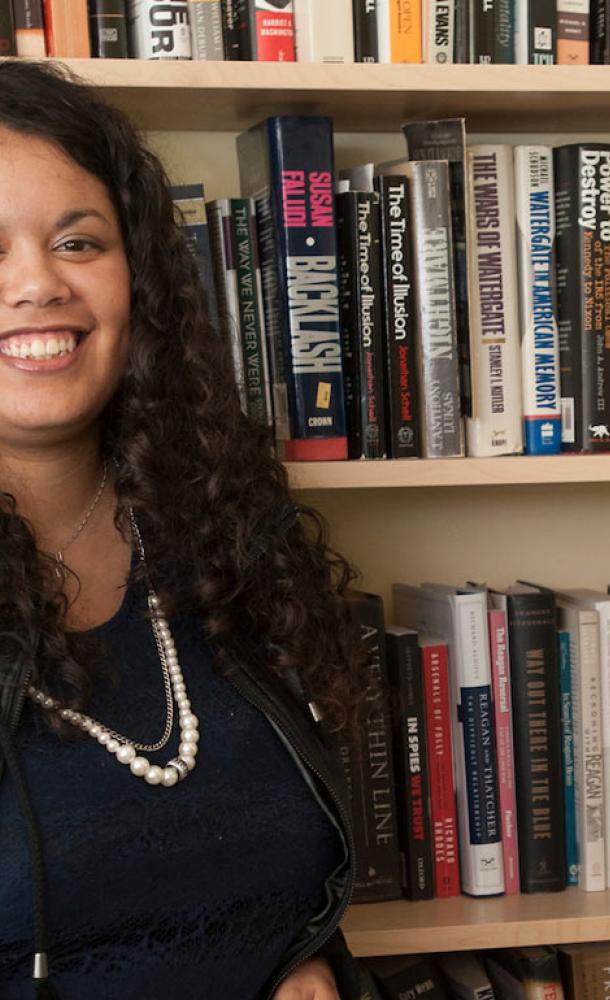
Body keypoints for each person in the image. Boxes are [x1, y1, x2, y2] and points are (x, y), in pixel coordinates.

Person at [0, 60, 363, 999]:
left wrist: (308, 965)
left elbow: (282, 875)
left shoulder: (225, 536)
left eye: (78, 243)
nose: (38, 285)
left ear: (140, 278)